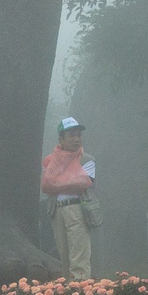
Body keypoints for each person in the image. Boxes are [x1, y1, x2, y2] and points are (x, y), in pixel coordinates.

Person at [42, 117, 98, 280]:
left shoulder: (87, 160)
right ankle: (68, 293)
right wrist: (65, 181)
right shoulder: (51, 161)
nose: (76, 139)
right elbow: (45, 185)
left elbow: (83, 183)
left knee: (78, 256)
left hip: (77, 209)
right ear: (61, 139)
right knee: (64, 256)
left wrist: (56, 182)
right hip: (57, 211)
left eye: (78, 135)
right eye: (71, 135)